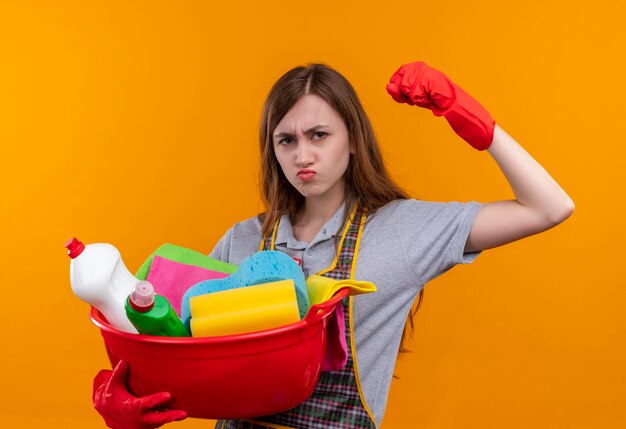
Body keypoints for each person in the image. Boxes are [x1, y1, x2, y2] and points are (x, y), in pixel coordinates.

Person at [92, 61, 575, 429]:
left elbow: (548, 207)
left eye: (319, 135)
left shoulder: (403, 231)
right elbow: (179, 346)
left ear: (352, 139)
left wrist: (472, 120)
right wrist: (125, 393)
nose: (303, 155)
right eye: (286, 141)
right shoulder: (240, 241)